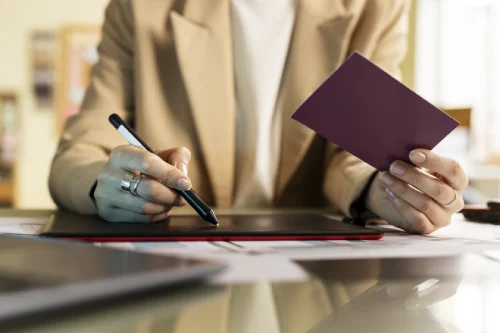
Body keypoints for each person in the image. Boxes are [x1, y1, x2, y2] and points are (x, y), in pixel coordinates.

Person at [49, 0, 468, 234]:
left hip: (322, 277)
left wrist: (383, 187)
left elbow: (353, 152)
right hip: (179, 265)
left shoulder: (376, 7)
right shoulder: (140, 8)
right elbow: (76, 154)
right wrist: (105, 187)